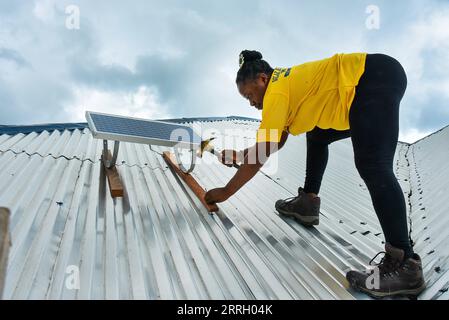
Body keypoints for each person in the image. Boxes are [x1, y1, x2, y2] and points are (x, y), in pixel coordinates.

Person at [204, 50, 426, 298]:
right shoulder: (284, 86)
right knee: (318, 134)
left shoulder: (276, 91)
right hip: (374, 79)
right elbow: (275, 142)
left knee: (373, 164)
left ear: (262, 79)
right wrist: (239, 154)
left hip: (371, 78)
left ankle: (404, 262)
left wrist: (225, 192)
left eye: (249, 95)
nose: (251, 103)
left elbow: (264, 151)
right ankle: (307, 203)